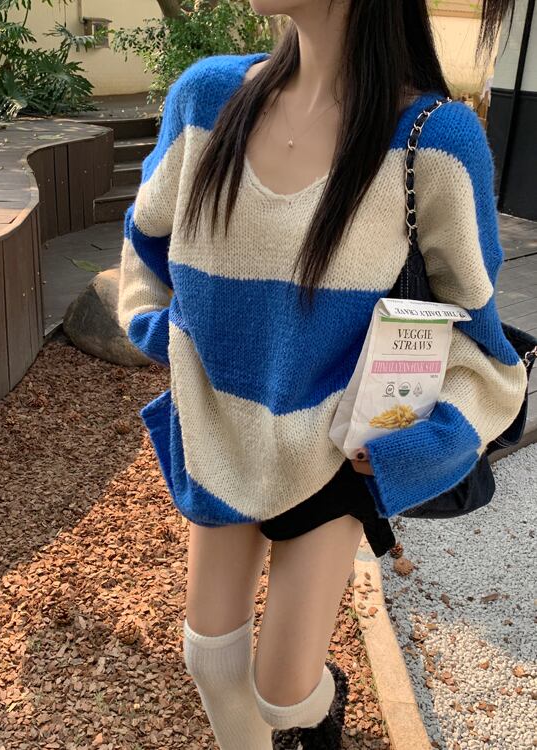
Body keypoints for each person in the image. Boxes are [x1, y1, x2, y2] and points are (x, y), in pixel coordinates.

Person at [116, 1, 527, 747]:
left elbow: (479, 341)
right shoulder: (206, 97)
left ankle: (318, 713)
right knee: (209, 658)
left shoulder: (433, 139)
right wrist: (156, 328)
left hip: (331, 452)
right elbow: (146, 240)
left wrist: (416, 442)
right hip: (217, 431)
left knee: (283, 695)